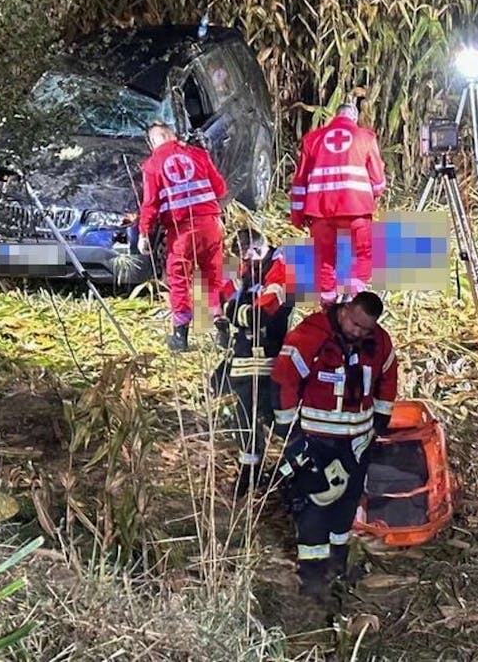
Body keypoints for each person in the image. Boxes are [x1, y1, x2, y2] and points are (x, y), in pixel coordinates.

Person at [270, 291, 397, 601]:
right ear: (344, 310)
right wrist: (290, 433)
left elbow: (387, 379)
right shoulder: (311, 335)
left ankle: (338, 565)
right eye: (354, 324)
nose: (357, 332)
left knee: (347, 503)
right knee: (315, 505)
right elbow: (283, 380)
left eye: (365, 329)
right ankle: (312, 577)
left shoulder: (379, 342)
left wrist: (380, 420)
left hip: (357, 442)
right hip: (318, 440)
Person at [215, 227, 296, 495]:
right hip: (244, 355)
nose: (244, 265)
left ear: (259, 249)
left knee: (275, 419)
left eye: (248, 259)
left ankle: (291, 470)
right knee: (241, 416)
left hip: (267, 358)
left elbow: (263, 315)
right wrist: (231, 310)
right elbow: (225, 295)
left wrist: (232, 312)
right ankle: (250, 473)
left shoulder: (281, 271)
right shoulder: (251, 269)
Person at [136, 122, 227, 352]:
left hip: (181, 232)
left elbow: (150, 205)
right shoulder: (198, 154)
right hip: (210, 225)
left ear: (152, 141)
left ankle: (180, 335)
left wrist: (144, 233)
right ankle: (222, 329)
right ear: (173, 135)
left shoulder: (152, 165)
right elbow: (220, 188)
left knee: (178, 280)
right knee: (212, 278)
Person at [288, 102, 387, 305]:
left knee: (324, 258)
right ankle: (353, 296)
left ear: (336, 116)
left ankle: (328, 304)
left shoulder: (312, 139)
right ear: (354, 118)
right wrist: (374, 193)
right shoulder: (365, 137)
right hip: (356, 209)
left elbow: (299, 181)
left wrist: (297, 215)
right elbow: (378, 181)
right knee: (364, 253)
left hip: (320, 211)